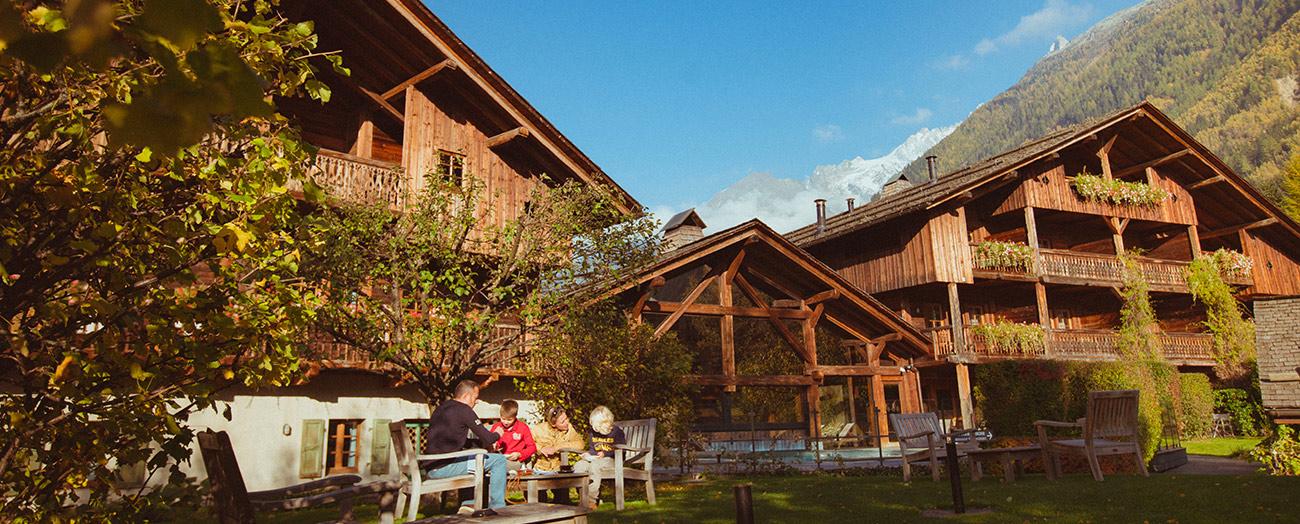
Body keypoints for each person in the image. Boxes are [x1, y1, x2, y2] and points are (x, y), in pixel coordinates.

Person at [424, 379, 507, 513]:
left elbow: (455, 440)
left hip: (432, 466)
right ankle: (498, 507)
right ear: (466, 396)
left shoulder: (442, 407)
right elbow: (488, 437)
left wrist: (481, 446)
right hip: (444, 468)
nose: (476, 402)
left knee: (474, 457)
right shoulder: (464, 410)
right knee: (499, 460)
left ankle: (468, 504)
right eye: (475, 397)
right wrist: (498, 434)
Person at [572, 405, 625, 510]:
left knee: (595, 465)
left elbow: (621, 449)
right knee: (579, 465)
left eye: (596, 425)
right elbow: (593, 449)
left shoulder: (617, 432)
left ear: (604, 423)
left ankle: (591, 501)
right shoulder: (593, 432)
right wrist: (587, 455)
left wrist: (605, 454)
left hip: (613, 460)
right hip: (597, 460)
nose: (594, 428)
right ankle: (583, 499)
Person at [532, 406, 586, 503]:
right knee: (539, 501)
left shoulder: (569, 429)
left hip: (559, 468)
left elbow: (580, 444)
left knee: (563, 501)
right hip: (541, 468)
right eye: (562, 421)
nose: (567, 422)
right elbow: (528, 443)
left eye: (566, 418)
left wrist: (558, 447)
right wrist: (541, 449)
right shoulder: (538, 430)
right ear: (553, 424)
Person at [488, 400, 536, 471]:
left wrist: (520, 454)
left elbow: (532, 447)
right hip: (499, 457)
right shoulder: (496, 427)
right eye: (503, 419)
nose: (506, 422)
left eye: (509, 420)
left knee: (497, 466)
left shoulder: (523, 428)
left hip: (515, 461)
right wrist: (492, 446)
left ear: (515, 416)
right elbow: (488, 444)